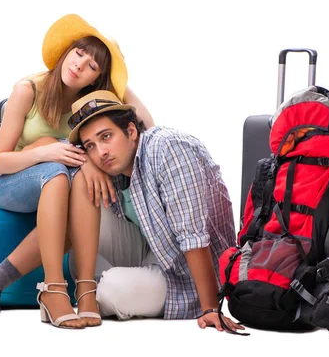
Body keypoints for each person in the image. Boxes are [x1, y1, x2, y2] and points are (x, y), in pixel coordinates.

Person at [0, 14, 154, 329]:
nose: (80, 65)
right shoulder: (28, 89)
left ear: (96, 79)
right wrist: (46, 149)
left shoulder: (89, 106)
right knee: (56, 168)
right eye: (79, 53)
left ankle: (83, 291)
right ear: (66, 51)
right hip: (9, 185)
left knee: (81, 182)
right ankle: (53, 289)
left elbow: (146, 124)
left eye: (92, 66)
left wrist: (119, 84)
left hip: (59, 192)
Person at [67, 90, 245, 332]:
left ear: (131, 131)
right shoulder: (115, 167)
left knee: (112, 290)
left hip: (186, 276)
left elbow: (193, 236)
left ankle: (108, 290)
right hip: (152, 253)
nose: (101, 152)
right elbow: (61, 150)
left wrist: (210, 309)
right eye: (91, 146)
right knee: (78, 255)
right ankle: (101, 290)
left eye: (106, 137)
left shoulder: (168, 148)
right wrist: (86, 162)